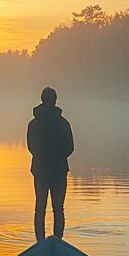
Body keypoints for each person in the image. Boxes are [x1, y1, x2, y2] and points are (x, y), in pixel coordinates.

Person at [27, 86, 74, 241]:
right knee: (58, 209)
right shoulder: (63, 123)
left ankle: (39, 242)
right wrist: (57, 157)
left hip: (40, 169)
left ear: (42, 100)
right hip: (59, 170)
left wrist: (42, 156)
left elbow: (31, 147)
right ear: (55, 101)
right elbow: (70, 147)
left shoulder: (33, 124)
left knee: (40, 208)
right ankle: (58, 241)